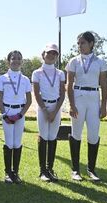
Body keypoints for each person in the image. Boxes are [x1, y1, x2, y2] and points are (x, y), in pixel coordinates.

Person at [66, 31, 107, 181]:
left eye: (82, 43)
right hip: (78, 97)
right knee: (76, 133)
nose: (80, 46)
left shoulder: (100, 62)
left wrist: (103, 106)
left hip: (93, 98)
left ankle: (91, 170)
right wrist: (71, 105)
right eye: (78, 43)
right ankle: (75, 170)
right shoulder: (73, 61)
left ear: (91, 44)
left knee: (93, 134)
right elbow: (69, 84)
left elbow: (104, 85)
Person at [32, 43, 65, 182]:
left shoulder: (60, 73)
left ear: (57, 56)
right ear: (43, 55)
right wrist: (45, 111)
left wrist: (55, 111)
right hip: (43, 107)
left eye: (54, 53)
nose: (51, 55)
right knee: (44, 137)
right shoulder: (37, 72)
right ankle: (43, 171)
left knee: (52, 137)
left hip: (56, 107)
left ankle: (50, 168)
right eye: (49, 53)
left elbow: (62, 94)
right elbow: (36, 93)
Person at [0, 50, 32, 184]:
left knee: (17, 143)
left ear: (22, 61)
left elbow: (28, 100)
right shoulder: (3, 78)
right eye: (13, 58)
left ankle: (15, 172)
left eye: (19, 59)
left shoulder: (25, 79)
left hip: (19, 113)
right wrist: (4, 114)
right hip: (7, 112)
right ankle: (8, 173)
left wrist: (20, 114)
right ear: (8, 61)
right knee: (9, 143)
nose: (16, 61)